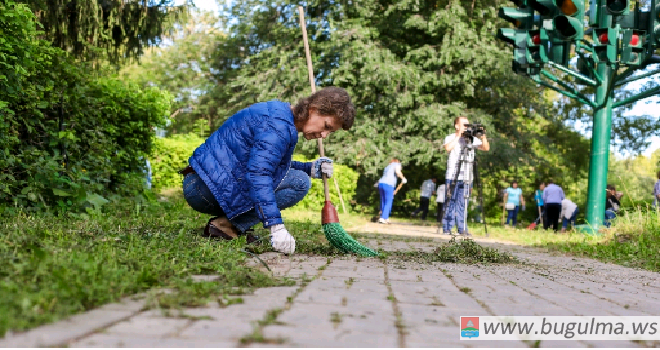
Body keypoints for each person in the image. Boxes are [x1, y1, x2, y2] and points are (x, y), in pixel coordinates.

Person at [180, 87, 355, 254]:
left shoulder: (280, 115)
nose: (324, 135)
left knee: (301, 176)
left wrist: (310, 168)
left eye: (330, 132)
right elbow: (259, 174)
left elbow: (267, 163)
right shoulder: (279, 127)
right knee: (299, 182)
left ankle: (228, 225)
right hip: (204, 189)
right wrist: (275, 226)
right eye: (326, 126)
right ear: (314, 108)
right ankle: (225, 225)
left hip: (203, 183)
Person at [441, 116, 490, 235]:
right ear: (457, 126)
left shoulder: (471, 139)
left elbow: (486, 148)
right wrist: (458, 136)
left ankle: (462, 228)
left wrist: (483, 136)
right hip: (452, 176)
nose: (466, 127)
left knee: (463, 204)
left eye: (468, 125)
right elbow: (447, 148)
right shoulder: (451, 137)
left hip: (467, 177)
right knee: (450, 202)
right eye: (464, 125)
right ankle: (447, 227)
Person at [378, 157, 406, 224]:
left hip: (381, 183)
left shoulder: (388, 166)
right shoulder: (397, 164)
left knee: (383, 201)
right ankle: (383, 218)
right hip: (389, 184)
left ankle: (384, 217)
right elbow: (398, 172)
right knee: (388, 201)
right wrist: (403, 178)